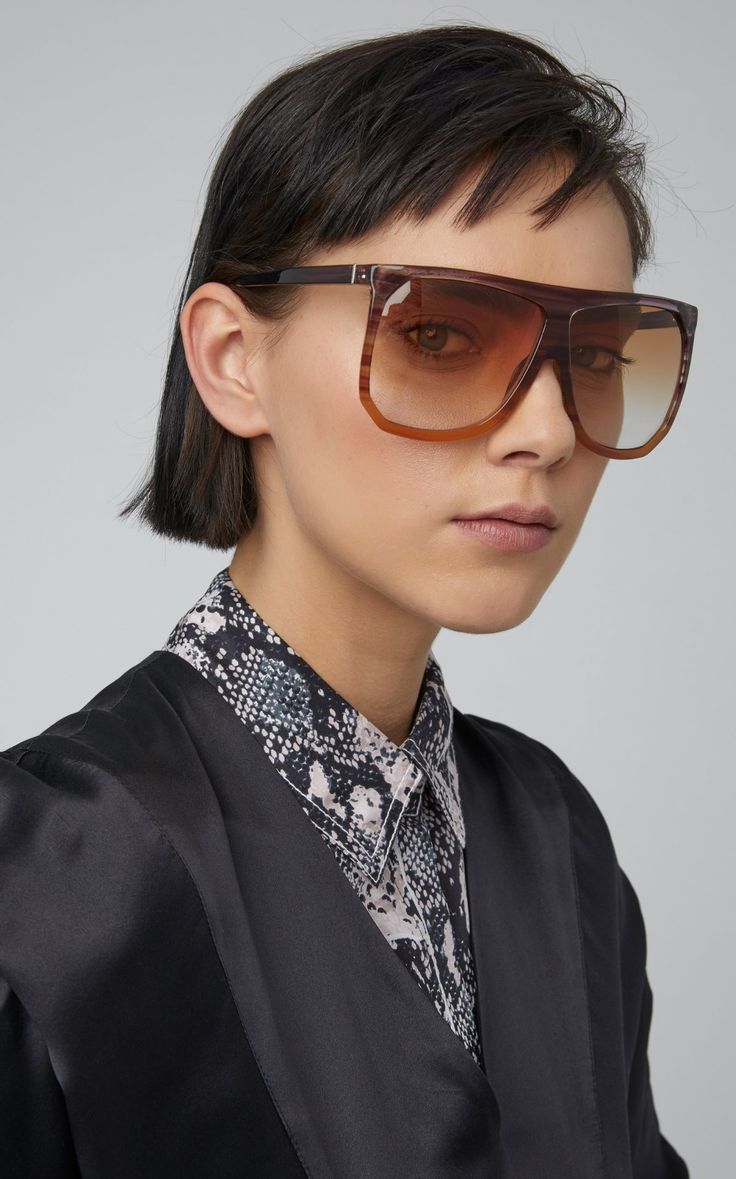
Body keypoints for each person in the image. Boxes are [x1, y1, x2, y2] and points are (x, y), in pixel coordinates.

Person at [0, 22, 694, 1178]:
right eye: (439, 334)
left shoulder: (553, 838)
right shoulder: (46, 868)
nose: (545, 431)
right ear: (234, 359)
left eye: (596, 359)